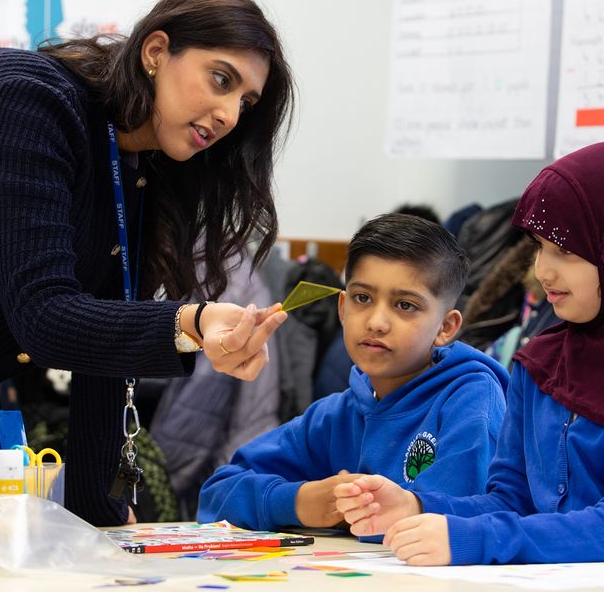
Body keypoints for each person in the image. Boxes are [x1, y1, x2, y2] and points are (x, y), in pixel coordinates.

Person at [0, 0, 294, 526]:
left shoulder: (142, 167)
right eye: (220, 79)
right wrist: (190, 321)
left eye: (245, 102)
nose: (228, 114)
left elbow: (103, 347)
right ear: (155, 52)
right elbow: (43, 315)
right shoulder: (27, 102)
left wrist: (101, 515)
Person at [334, 141, 604, 567]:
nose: (543, 270)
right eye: (539, 247)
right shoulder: (540, 363)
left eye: (564, 250)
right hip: (555, 590)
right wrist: (416, 506)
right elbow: (511, 500)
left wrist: (476, 538)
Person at [197, 214, 509, 531]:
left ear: (446, 327)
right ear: (342, 308)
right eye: (363, 298)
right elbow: (217, 494)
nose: (376, 322)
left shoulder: (471, 398)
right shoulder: (336, 414)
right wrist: (299, 502)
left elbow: (466, 518)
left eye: (405, 305)